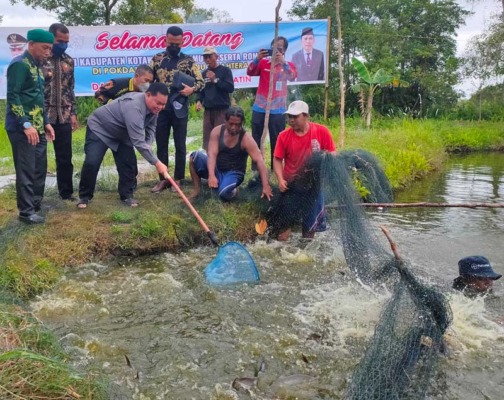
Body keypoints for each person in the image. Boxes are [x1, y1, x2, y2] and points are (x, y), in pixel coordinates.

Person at [76, 83, 171, 209]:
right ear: (148, 95)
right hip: (100, 128)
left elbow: (151, 129)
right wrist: (157, 163)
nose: (161, 107)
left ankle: (126, 195)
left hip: (122, 133)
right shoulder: (134, 107)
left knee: (129, 165)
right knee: (92, 162)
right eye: (158, 103)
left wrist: (148, 145)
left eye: (164, 104)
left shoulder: (154, 109)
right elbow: (138, 142)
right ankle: (84, 196)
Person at [5, 29, 56, 224]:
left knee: (39, 167)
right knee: (26, 169)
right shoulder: (19, 65)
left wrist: (46, 123)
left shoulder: (37, 65)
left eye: (49, 48)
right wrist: (26, 124)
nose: (47, 52)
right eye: (44, 47)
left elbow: (37, 97)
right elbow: (13, 97)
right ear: (31, 44)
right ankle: (26, 212)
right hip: (22, 127)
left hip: (38, 126)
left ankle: (35, 204)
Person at [150, 25, 204, 193]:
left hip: (180, 107)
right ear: (166, 40)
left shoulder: (188, 61)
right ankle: (164, 179)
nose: (174, 46)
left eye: (177, 43)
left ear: (182, 41)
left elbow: (201, 82)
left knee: (180, 144)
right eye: (171, 43)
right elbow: (148, 80)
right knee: (161, 144)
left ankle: (178, 179)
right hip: (160, 109)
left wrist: (191, 90)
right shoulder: (157, 59)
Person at [272, 100, 336, 240]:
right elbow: (277, 159)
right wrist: (280, 179)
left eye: (295, 116)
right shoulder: (284, 136)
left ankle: (303, 255)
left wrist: (323, 157)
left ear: (306, 116)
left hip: (313, 186)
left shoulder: (321, 131)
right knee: (283, 229)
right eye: (290, 117)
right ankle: (283, 256)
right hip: (291, 185)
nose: (291, 120)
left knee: (309, 229)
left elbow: (332, 153)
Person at [188, 106, 272, 202]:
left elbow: (259, 160)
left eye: (237, 124)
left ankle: (234, 190)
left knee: (223, 193)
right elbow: (212, 154)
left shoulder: (246, 139)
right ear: (225, 121)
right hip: (217, 168)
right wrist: (211, 175)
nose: (233, 127)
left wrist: (266, 186)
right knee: (194, 157)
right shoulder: (217, 132)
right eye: (231, 124)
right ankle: (197, 190)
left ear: (242, 123)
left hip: (234, 173)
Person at [246, 36, 297, 170]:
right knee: (256, 138)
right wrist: (257, 58)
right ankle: (256, 168)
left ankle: (276, 168)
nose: (276, 50)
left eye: (279, 48)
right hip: (260, 107)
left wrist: (283, 63)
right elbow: (250, 72)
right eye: (274, 47)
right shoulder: (263, 64)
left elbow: (293, 76)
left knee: (278, 139)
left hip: (278, 110)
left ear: (285, 50)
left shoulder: (289, 65)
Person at [44, 23, 78, 201]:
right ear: (51, 39)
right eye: (60, 41)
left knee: (65, 157)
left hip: (64, 115)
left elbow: (71, 89)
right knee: (37, 158)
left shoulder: (69, 61)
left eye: (66, 42)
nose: (63, 45)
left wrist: (74, 113)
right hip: (42, 115)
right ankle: (34, 197)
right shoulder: (41, 59)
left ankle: (66, 193)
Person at [195, 46, 234, 151]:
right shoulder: (203, 74)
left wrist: (215, 80)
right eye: (205, 57)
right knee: (208, 139)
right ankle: (209, 162)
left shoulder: (225, 71)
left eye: (209, 56)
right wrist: (199, 101)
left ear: (216, 56)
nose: (207, 59)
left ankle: (222, 163)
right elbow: (201, 91)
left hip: (222, 110)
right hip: (208, 111)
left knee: (221, 138)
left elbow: (230, 88)